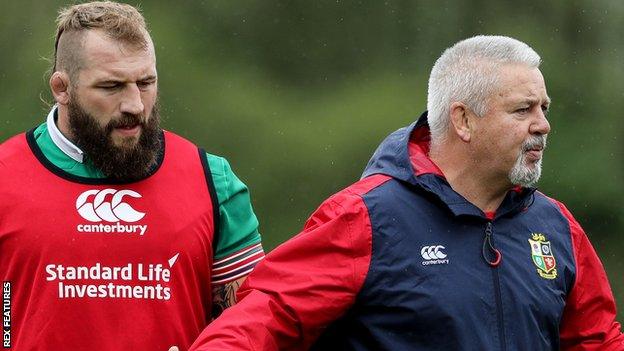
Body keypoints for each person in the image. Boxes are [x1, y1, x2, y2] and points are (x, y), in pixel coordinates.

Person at [189, 35, 624, 350]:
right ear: (463, 121)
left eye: (543, 109)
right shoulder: (364, 216)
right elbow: (266, 316)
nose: (542, 124)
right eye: (522, 109)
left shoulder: (557, 226)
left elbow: (598, 339)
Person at [0, 2, 265, 350]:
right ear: (61, 88)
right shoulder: (6, 176)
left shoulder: (213, 180)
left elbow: (257, 322)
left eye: (145, 82)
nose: (135, 105)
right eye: (111, 86)